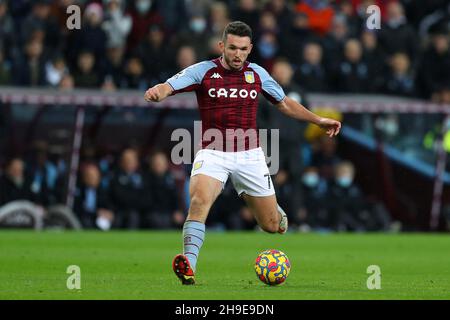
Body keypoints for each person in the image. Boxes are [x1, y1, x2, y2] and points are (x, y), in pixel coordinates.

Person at [144, 21, 341, 285]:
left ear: (250, 49)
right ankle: (188, 265)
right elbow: (170, 85)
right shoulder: (203, 71)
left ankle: (275, 210)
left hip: (250, 155)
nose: (237, 54)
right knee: (199, 201)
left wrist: (318, 120)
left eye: (243, 49)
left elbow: (284, 103)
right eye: (233, 48)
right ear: (222, 46)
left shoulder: (258, 74)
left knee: (272, 226)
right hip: (212, 152)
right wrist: (159, 91)